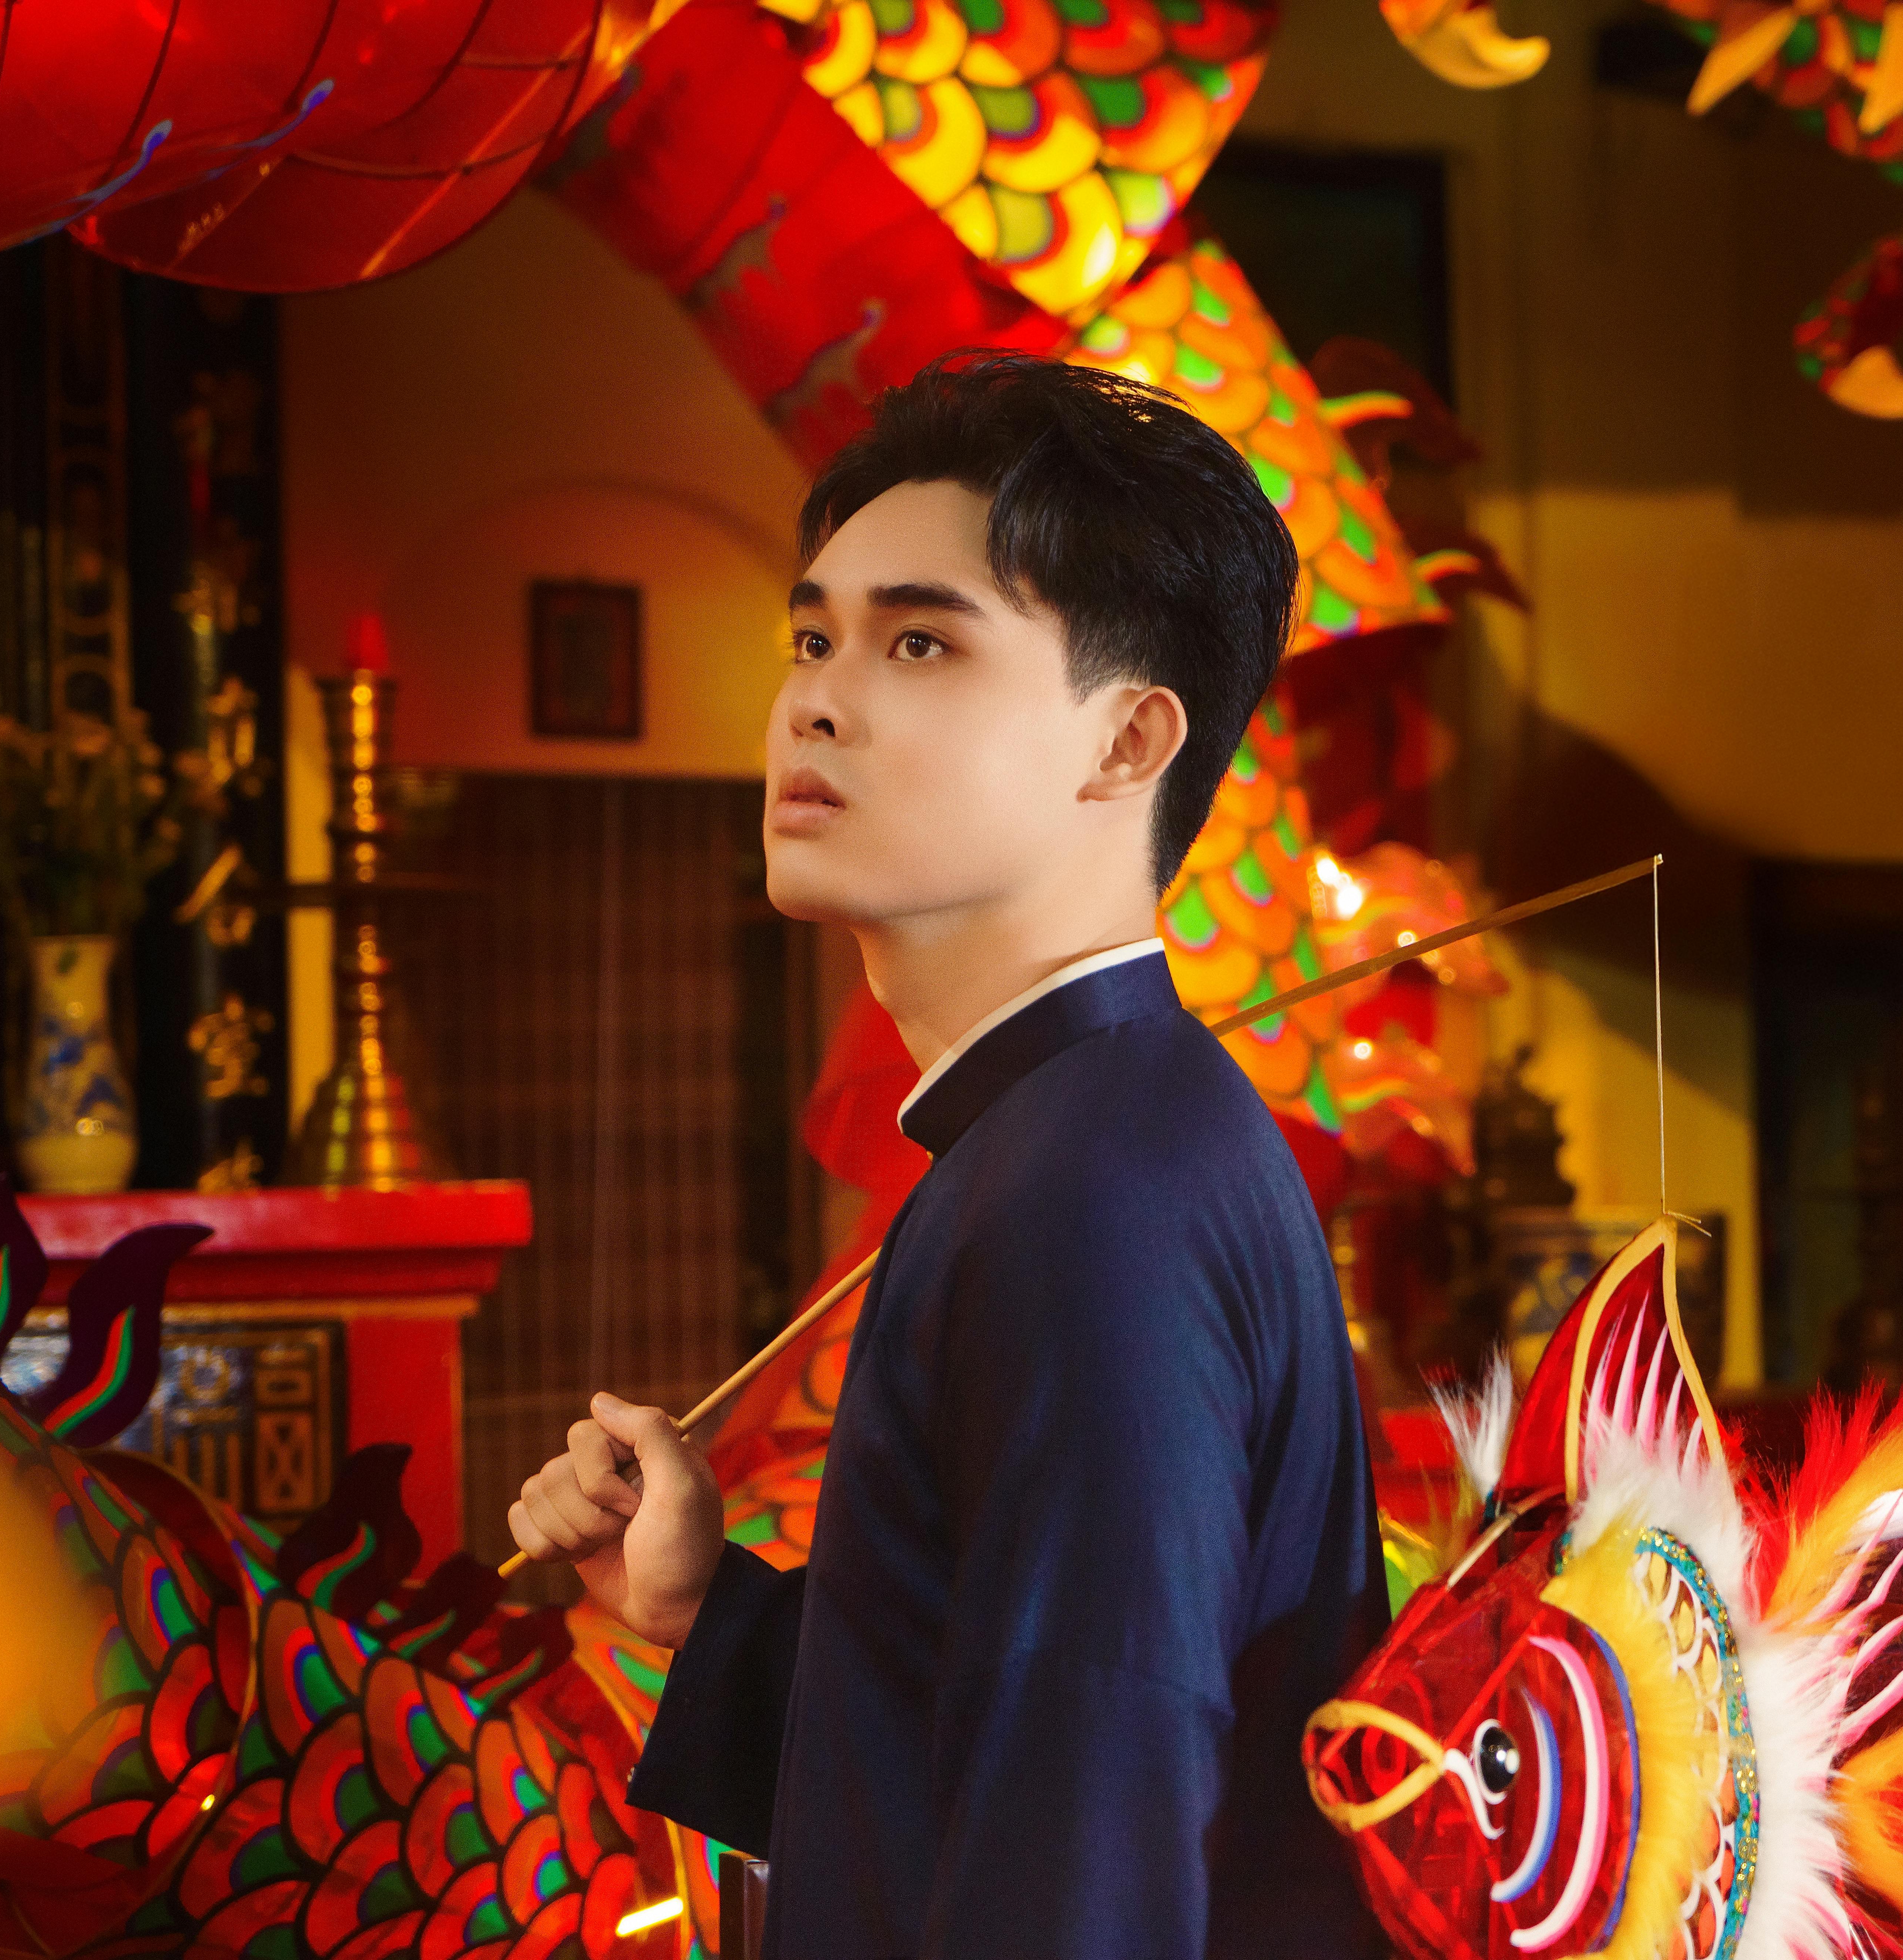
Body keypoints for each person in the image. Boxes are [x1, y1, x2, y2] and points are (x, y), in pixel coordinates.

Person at [505, 354, 1387, 1959]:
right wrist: (706, 1608)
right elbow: (985, 1745)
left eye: (920, 642)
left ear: (1128, 742)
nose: (815, 701)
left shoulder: (1094, 1195)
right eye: (812, 638)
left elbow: (1095, 1848)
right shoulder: (1066, 1133)